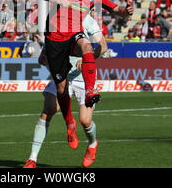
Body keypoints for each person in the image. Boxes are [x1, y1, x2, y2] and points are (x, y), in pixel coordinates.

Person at [33, 0, 132, 119]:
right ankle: (69, 123)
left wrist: (126, 10)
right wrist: (56, 0)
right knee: (61, 91)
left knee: (87, 45)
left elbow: (117, 11)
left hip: (74, 36)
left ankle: (90, 90)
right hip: (57, 39)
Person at [23, 11, 108, 168]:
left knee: (85, 120)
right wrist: (44, 56)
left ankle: (92, 143)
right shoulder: (57, 20)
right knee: (47, 111)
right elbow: (49, 46)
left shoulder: (88, 21)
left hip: (83, 79)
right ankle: (32, 159)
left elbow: (103, 47)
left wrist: (87, 58)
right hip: (63, 76)